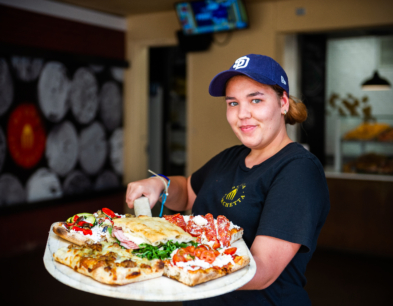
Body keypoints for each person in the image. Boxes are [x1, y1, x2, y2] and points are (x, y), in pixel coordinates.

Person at [126, 54, 330, 306]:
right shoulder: (232, 157)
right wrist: (161, 183)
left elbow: (262, 271)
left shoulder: (297, 170)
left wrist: (160, 264)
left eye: (255, 99)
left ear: (283, 103)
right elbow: (188, 193)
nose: (242, 114)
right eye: (233, 103)